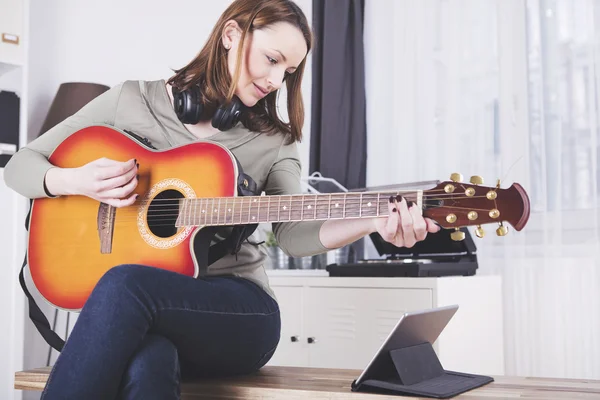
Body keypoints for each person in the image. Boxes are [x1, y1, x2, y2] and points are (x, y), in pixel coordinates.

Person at [4, 0, 440, 398]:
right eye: (272, 60)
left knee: (123, 282)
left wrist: (371, 220)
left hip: (236, 311)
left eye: (288, 72)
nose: (275, 81)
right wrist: (74, 180)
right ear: (231, 35)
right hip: (153, 312)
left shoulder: (275, 141)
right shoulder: (131, 100)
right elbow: (20, 165)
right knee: (150, 359)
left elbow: (294, 236)